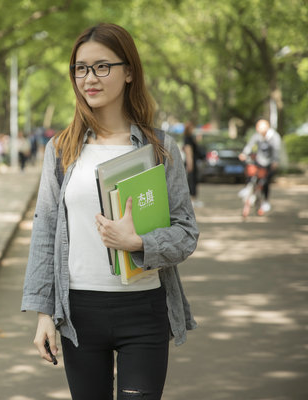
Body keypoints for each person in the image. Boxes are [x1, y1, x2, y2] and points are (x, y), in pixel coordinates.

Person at [21, 23, 199, 400]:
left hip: (144, 308)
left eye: (102, 67)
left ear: (129, 71)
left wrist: (137, 242)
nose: (90, 78)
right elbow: (45, 231)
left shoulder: (161, 149)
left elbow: (186, 232)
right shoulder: (61, 149)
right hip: (79, 313)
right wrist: (43, 314)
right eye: (81, 68)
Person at [238, 118, 281, 214]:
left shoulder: (274, 137)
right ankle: (247, 188)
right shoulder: (257, 136)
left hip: (269, 162)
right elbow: (249, 145)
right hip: (259, 161)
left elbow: (276, 151)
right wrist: (244, 153)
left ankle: (265, 201)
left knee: (265, 182)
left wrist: (275, 161)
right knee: (250, 171)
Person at [182, 122, 202, 207]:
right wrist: (190, 164)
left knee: (193, 180)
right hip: (191, 161)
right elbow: (188, 151)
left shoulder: (189, 138)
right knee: (191, 180)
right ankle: (192, 199)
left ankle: (193, 199)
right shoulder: (187, 138)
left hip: (192, 161)